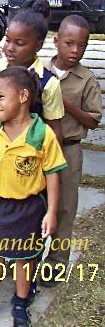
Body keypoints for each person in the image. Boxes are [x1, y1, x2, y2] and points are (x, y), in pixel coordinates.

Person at [0, 0, 64, 294]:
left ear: (37, 47)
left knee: (29, 220)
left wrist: (45, 162)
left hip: (30, 162)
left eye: (19, 43)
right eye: (7, 40)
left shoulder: (47, 81)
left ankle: (28, 273)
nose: (9, 48)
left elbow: (55, 129)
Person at [0, 67, 66, 327]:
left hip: (28, 208)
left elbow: (54, 174)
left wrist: (51, 212)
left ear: (23, 96)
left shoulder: (42, 134)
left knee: (25, 259)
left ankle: (21, 303)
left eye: (1, 97)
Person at [41, 16, 102, 285]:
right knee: (31, 203)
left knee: (64, 208)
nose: (75, 50)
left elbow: (92, 120)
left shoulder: (86, 79)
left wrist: (65, 103)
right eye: (69, 43)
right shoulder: (40, 71)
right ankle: (23, 257)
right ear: (56, 42)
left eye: (82, 45)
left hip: (68, 152)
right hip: (38, 150)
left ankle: (55, 264)